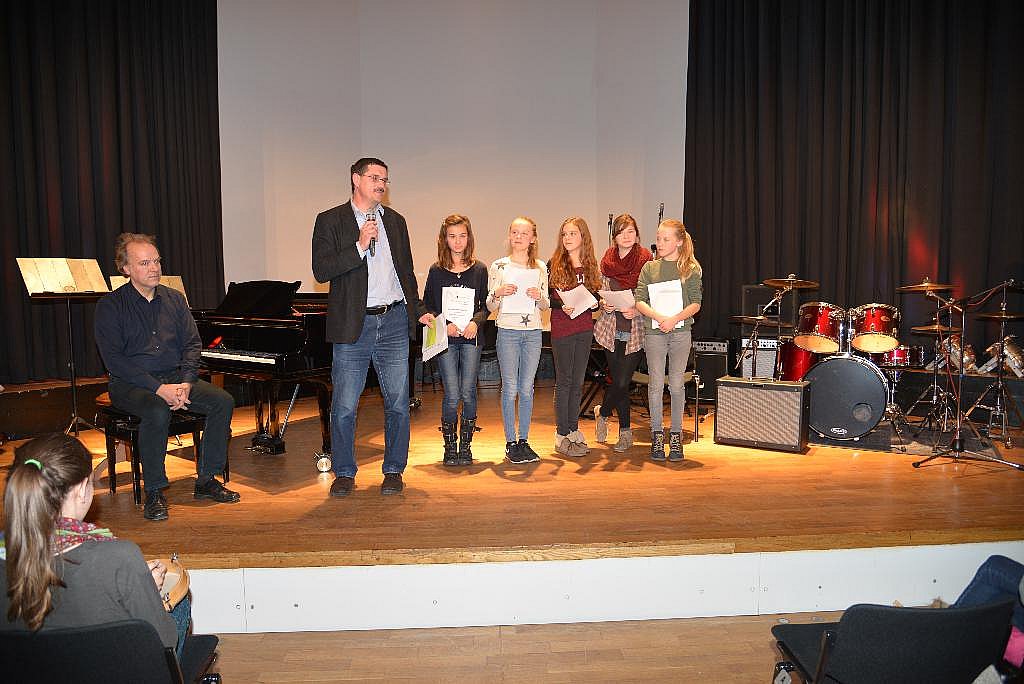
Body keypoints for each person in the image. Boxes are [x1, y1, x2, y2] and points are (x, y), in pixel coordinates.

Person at [0, 434, 188, 657]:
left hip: (28, 668)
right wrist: (148, 592)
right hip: (110, 668)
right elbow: (165, 641)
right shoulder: (119, 557)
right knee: (180, 604)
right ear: (81, 489)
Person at [94, 233, 239, 522]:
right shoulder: (110, 306)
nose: (154, 268)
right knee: (157, 410)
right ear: (126, 268)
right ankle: (155, 491)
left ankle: (206, 479)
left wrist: (186, 382)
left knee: (223, 401)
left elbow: (192, 344)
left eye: (157, 261)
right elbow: (115, 361)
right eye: (144, 263)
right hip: (130, 383)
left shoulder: (174, 299)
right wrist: (159, 388)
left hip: (175, 377)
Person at [311, 157, 431, 496]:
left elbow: (405, 272)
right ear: (356, 179)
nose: (381, 184)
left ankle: (393, 469)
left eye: (385, 179)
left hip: (394, 321)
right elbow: (322, 270)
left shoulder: (395, 221)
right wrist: (359, 246)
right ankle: (344, 472)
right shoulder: (330, 220)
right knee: (344, 406)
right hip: (355, 323)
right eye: (375, 177)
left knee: (398, 402)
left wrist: (418, 310)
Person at [422, 214, 489, 466]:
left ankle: (466, 446)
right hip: (447, 340)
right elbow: (428, 305)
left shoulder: (480, 269)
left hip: (471, 338)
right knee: (452, 394)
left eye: (462, 235)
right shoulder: (436, 271)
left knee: (468, 393)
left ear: (469, 238)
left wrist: (476, 322)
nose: (458, 241)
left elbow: (486, 305)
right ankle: (450, 447)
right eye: (452, 236)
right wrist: (444, 324)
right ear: (444, 239)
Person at [635, 219, 703, 462]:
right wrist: (659, 317)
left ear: (679, 242)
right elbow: (639, 300)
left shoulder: (690, 269)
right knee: (655, 385)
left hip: (680, 332)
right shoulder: (649, 268)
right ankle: (656, 435)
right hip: (655, 332)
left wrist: (674, 319)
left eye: (666, 239)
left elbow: (696, 303)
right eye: (658, 238)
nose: (660, 243)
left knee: (676, 385)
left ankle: (675, 436)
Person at [487, 217, 550, 464]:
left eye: (524, 233)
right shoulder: (499, 266)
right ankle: (510, 442)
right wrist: (498, 293)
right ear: (509, 235)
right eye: (514, 232)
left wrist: (538, 296)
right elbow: (490, 305)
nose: (519, 237)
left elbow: (545, 305)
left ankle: (524, 440)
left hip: (533, 332)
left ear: (533, 238)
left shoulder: (540, 267)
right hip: (508, 331)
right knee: (510, 387)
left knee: (526, 388)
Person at [593, 214, 653, 452]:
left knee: (621, 382)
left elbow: (652, 297)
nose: (626, 236)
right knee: (619, 382)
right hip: (611, 329)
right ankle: (625, 432)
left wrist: (637, 310)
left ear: (637, 235)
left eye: (630, 231)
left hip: (635, 330)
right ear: (614, 236)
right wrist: (604, 304)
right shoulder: (607, 261)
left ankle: (603, 413)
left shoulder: (647, 262)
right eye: (621, 232)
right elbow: (601, 292)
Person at [548, 217, 602, 458]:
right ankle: (561, 434)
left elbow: (594, 296)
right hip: (562, 330)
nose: (567, 238)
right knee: (565, 381)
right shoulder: (554, 263)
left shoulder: (590, 265)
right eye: (564, 234)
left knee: (578, 382)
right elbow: (546, 298)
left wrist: (598, 303)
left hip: (584, 329)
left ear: (583, 237)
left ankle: (573, 428)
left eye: (572, 233)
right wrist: (561, 306)